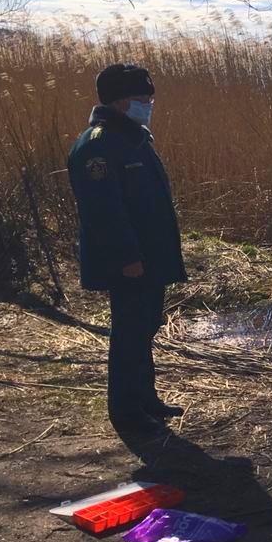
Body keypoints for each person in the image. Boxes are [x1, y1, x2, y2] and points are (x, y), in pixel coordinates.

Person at [68, 63, 187, 446]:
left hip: (149, 257)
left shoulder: (132, 137)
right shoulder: (98, 145)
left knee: (145, 327)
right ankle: (127, 412)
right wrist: (127, 257)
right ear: (120, 101)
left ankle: (146, 399)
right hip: (130, 261)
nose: (148, 105)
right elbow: (103, 210)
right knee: (129, 334)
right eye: (142, 99)